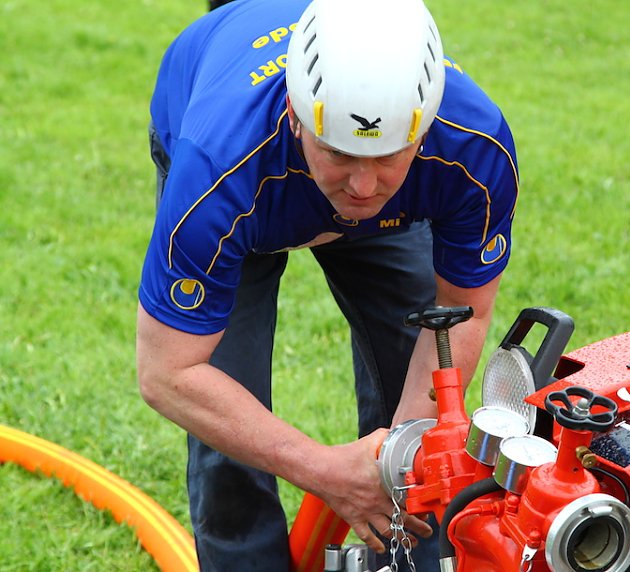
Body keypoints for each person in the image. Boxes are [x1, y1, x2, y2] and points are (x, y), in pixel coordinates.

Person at [137, 0, 518, 569]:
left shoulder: (473, 146)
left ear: (427, 127)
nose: (363, 186)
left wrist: (400, 456)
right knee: (229, 433)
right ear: (295, 113)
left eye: (388, 154)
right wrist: (323, 469)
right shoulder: (215, 171)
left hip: (373, 196)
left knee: (429, 441)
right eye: (340, 151)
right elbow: (169, 374)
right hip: (254, 183)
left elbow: (464, 312)